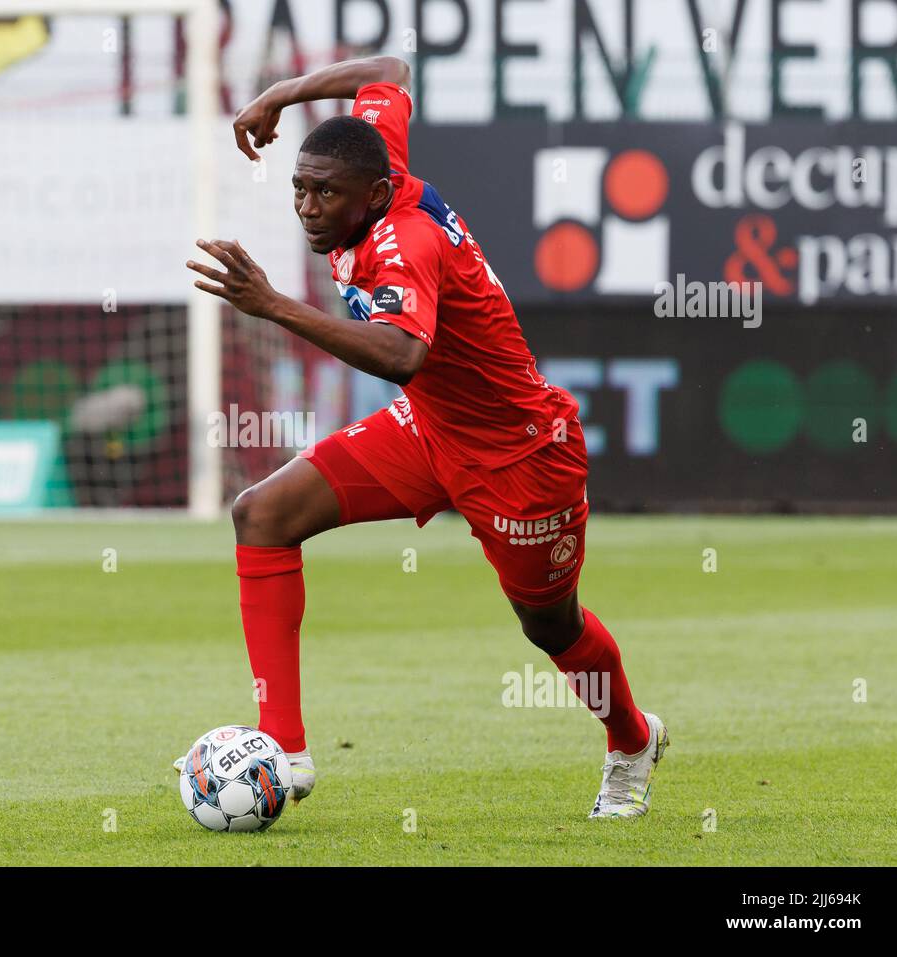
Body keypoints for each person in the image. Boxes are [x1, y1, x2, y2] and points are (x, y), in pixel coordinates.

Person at [183, 56, 668, 818]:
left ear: (374, 195)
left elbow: (403, 352)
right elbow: (388, 69)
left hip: (520, 456)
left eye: (325, 194)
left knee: (551, 624)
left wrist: (274, 305)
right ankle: (286, 747)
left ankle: (632, 739)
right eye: (300, 189)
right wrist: (282, 94)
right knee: (262, 514)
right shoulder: (375, 167)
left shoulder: (403, 242)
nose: (308, 207)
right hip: (430, 430)